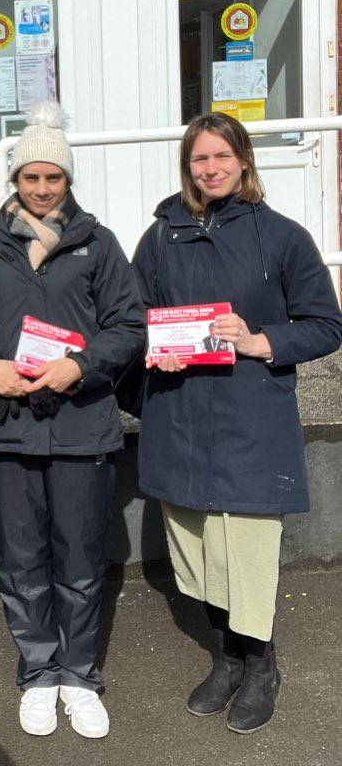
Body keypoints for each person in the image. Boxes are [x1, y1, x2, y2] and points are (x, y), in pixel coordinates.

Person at [0, 101, 144, 740]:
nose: (43, 188)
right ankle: (37, 672)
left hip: (81, 424)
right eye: (32, 177)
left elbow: (128, 326)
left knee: (81, 559)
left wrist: (79, 366)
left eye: (53, 177)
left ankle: (79, 676)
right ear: (16, 181)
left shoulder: (98, 244)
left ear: (68, 181)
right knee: (21, 560)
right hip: (6, 423)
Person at [132, 111, 342, 735]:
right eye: (200, 159)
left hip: (250, 415)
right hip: (179, 413)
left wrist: (258, 342)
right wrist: (151, 344)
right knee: (196, 550)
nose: (211, 168)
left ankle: (261, 665)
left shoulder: (281, 237)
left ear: (244, 161)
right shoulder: (158, 237)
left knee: (247, 550)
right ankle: (225, 660)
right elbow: (134, 316)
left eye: (222, 156)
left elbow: (326, 325)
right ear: (187, 166)